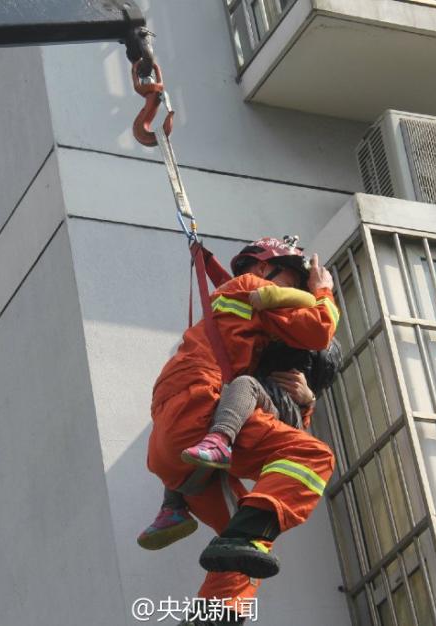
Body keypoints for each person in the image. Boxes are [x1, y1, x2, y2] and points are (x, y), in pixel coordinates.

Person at [146, 237, 340, 625]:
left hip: (170, 449)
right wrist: (322, 289)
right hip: (200, 415)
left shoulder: (233, 323)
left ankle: (212, 618)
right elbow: (319, 330)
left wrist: (303, 402)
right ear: (266, 269)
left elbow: (274, 431)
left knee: (245, 551)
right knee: (315, 456)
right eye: (294, 279)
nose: (297, 290)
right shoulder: (254, 289)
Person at [137, 337, 343, 551]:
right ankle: (173, 505)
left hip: (278, 405)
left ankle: (220, 441)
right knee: (194, 426)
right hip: (263, 405)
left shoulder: (298, 373)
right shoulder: (279, 353)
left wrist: (308, 400)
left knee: (243, 386)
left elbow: (297, 430)